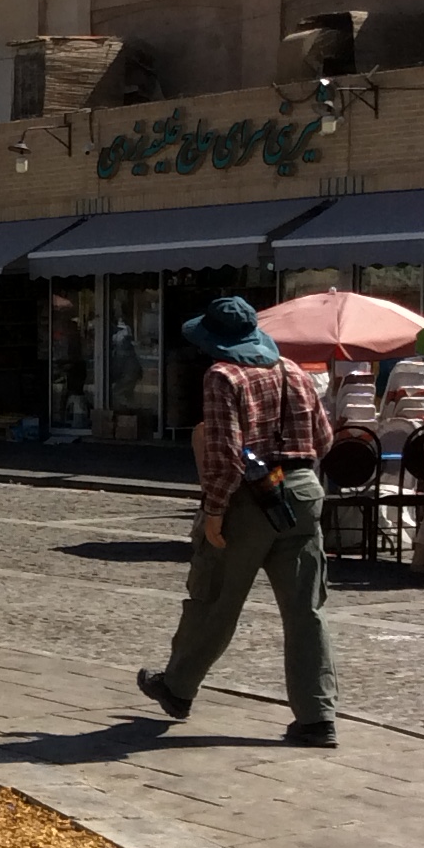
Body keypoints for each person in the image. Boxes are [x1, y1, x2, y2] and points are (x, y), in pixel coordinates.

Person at [137, 294, 338, 745]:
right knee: (306, 611)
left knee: (215, 599)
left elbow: (225, 456)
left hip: (249, 498)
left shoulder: (223, 377)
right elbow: (324, 438)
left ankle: (178, 687)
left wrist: (214, 510)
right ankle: (317, 716)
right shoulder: (295, 373)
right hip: (302, 492)